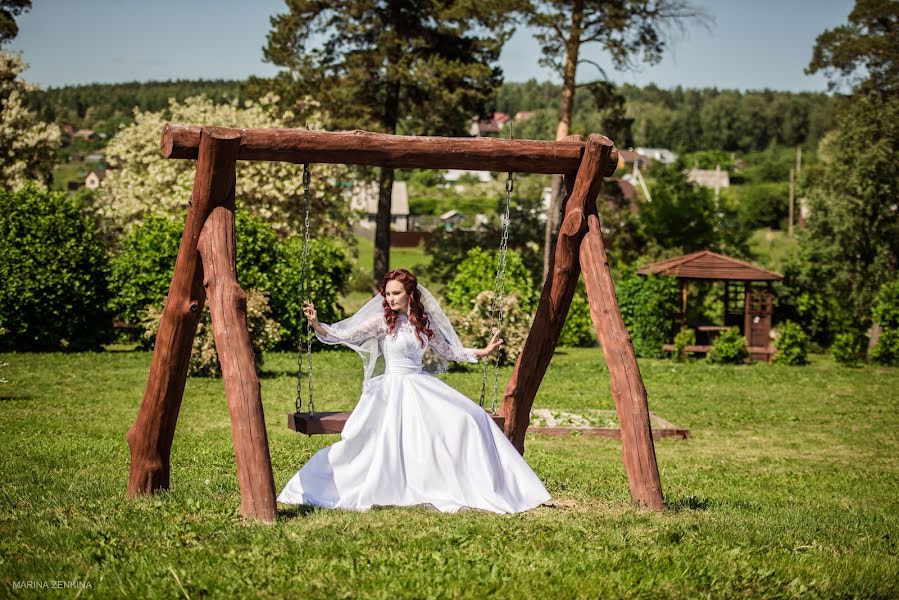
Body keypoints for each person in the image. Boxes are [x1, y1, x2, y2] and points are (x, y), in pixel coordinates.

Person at [277, 268, 551, 514]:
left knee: (471, 418)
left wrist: (482, 351)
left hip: (419, 385)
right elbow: (346, 335)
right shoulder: (384, 322)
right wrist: (316, 324)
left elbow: (448, 351)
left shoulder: (423, 323)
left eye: (396, 293)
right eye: (387, 294)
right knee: (379, 440)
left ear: (410, 293)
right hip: (391, 390)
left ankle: (483, 481)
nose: (391, 299)